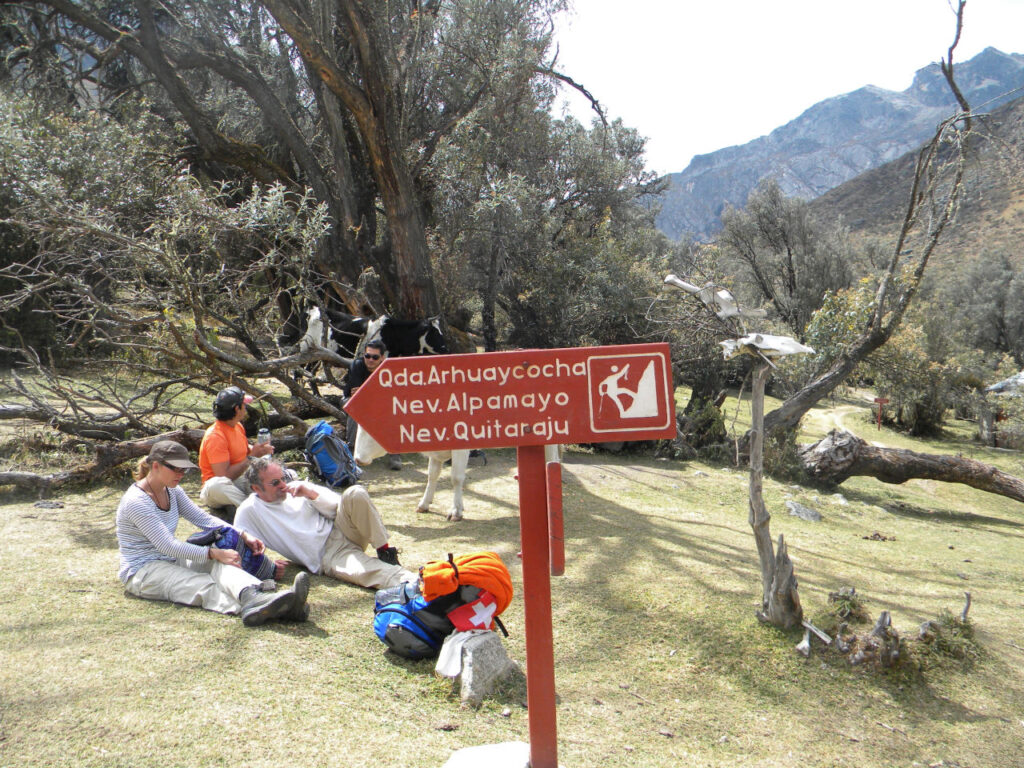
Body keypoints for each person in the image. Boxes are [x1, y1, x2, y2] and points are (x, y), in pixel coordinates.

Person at [116, 440, 309, 626]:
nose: (181, 474)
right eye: (176, 468)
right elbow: (167, 545)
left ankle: (255, 595)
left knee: (220, 565)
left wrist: (242, 534)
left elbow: (203, 519)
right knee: (202, 583)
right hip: (143, 571)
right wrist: (213, 552)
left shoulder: (172, 491)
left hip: (171, 560)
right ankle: (267, 607)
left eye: (184, 469)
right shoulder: (136, 502)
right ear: (155, 465)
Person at [235, 457, 416, 590]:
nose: (283, 485)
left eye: (283, 478)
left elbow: (336, 507)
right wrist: (253, 546)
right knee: (373, 573)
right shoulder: (250, 510)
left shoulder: (296, 488)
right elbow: (234, 533)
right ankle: (419, 583)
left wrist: (310, 494)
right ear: (257, 488)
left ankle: (385, 551)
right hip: (328, 555)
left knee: (355, 492)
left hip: (342, 528)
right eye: (275, 482)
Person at [199, 385, 275, 510]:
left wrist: (261, 451)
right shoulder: (216, 436)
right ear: (237, 409)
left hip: (239, 479)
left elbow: (242, 451)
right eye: (244, 405)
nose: (246, 407)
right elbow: (224, 476)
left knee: (275, 475)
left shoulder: (237, 426)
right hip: (217, 490)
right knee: (216, 485)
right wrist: (252, 457)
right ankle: (254, 510)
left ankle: (268, 506)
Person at [343, 340, 402, 470]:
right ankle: (352, 450)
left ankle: (394, 452)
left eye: (375, 357)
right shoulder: (357, 365)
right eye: (367, 356)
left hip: (379, 402)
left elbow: (392, 394)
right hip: (352, 400)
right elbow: (355, 395)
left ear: (382, 358)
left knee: (394, 410)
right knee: (356, 409)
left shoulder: (389, 369)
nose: (370, 360)